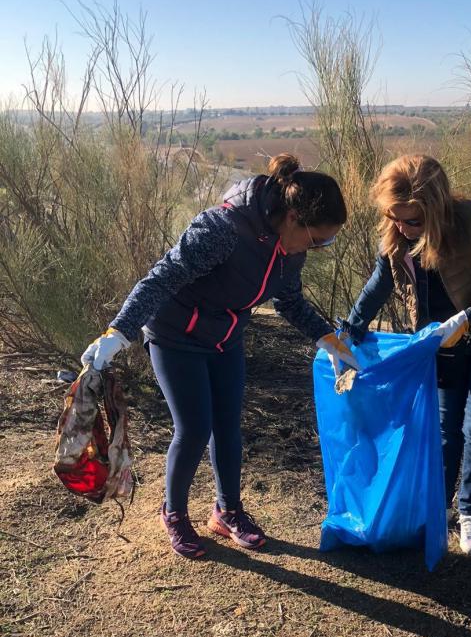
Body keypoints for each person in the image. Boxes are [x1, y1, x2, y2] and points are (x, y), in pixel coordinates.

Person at [81, 154, 358, 559]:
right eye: (318, 239)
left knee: (228, 425)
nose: (317, 248)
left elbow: (290, 302)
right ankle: (173, 513)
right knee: (194, 428)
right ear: (293, 217)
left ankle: (227, 511)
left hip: (225, 338)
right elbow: (161, 278)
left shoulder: (291, 250)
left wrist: (329, 340)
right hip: (176, 335)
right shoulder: (223, 229)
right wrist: (119, 331)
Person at [341, 155, 471, 555]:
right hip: (442, 345)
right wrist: (347, 333)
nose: (402, 227)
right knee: (445, 429)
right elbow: (378, 285)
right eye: (394, 217)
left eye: (412, 220)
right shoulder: (398, 236)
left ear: (435, 207)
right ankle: (439, 508)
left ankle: (470, 513)